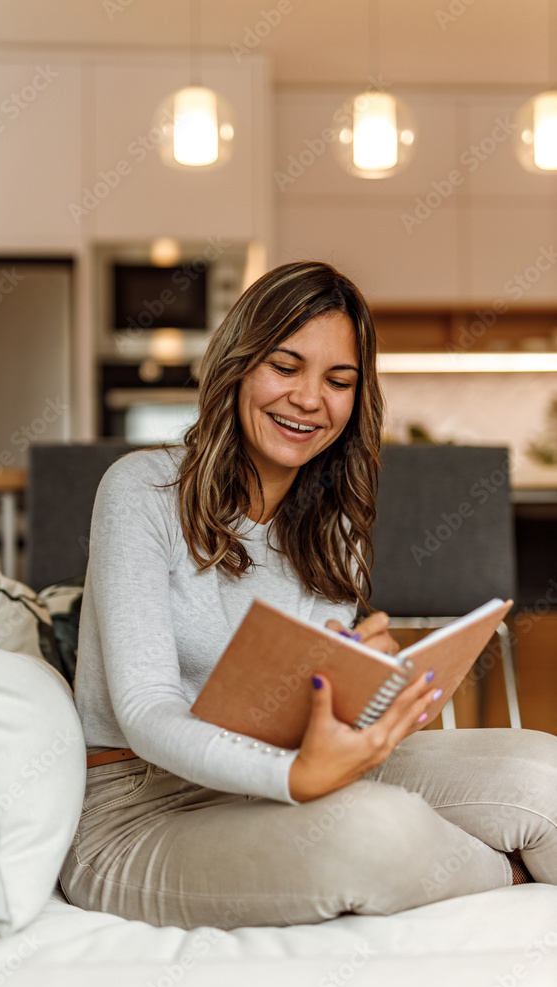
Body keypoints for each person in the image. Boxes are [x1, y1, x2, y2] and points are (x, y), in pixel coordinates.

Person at [59, 260, 557, 930]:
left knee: (542, 768)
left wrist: (369, 694)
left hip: (292, 774)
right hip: (140, 807)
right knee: (375, 830)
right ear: (238, 365)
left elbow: (297, 717)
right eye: (284, 366)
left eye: (338, 380)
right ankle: (508, 875)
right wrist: (297, 780)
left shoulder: (334, 520)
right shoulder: (140, 491)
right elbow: (148, 713)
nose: (308, 399)